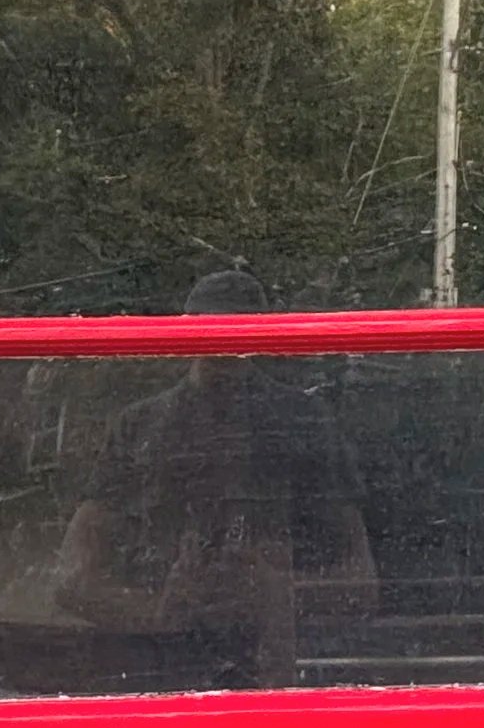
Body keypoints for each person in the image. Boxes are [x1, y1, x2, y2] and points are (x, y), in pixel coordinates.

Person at [53, 270, 378, 687]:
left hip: (266, 670)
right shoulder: (140, 427)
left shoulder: (304, 423)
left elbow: (362, 583)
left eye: (234, 333)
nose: (223, 349)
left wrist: (271, 591)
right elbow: (72, 581)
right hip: (156, 674)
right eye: (210, 332)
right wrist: (159, 610)